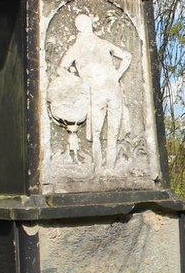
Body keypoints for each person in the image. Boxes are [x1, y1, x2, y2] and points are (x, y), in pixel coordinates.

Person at [57, 14, 132, 171]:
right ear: (79, 28)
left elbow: (127, 56)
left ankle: (108, 171)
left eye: (87, 23)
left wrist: (117, 76)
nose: (86, 26)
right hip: (98, 93)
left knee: (112, 132)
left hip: (111, 92)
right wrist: (79, 82)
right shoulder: (77, 48)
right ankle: (99, 171)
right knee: (98, 133)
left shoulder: (103, 43)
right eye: (83, 24)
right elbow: (61, 68)